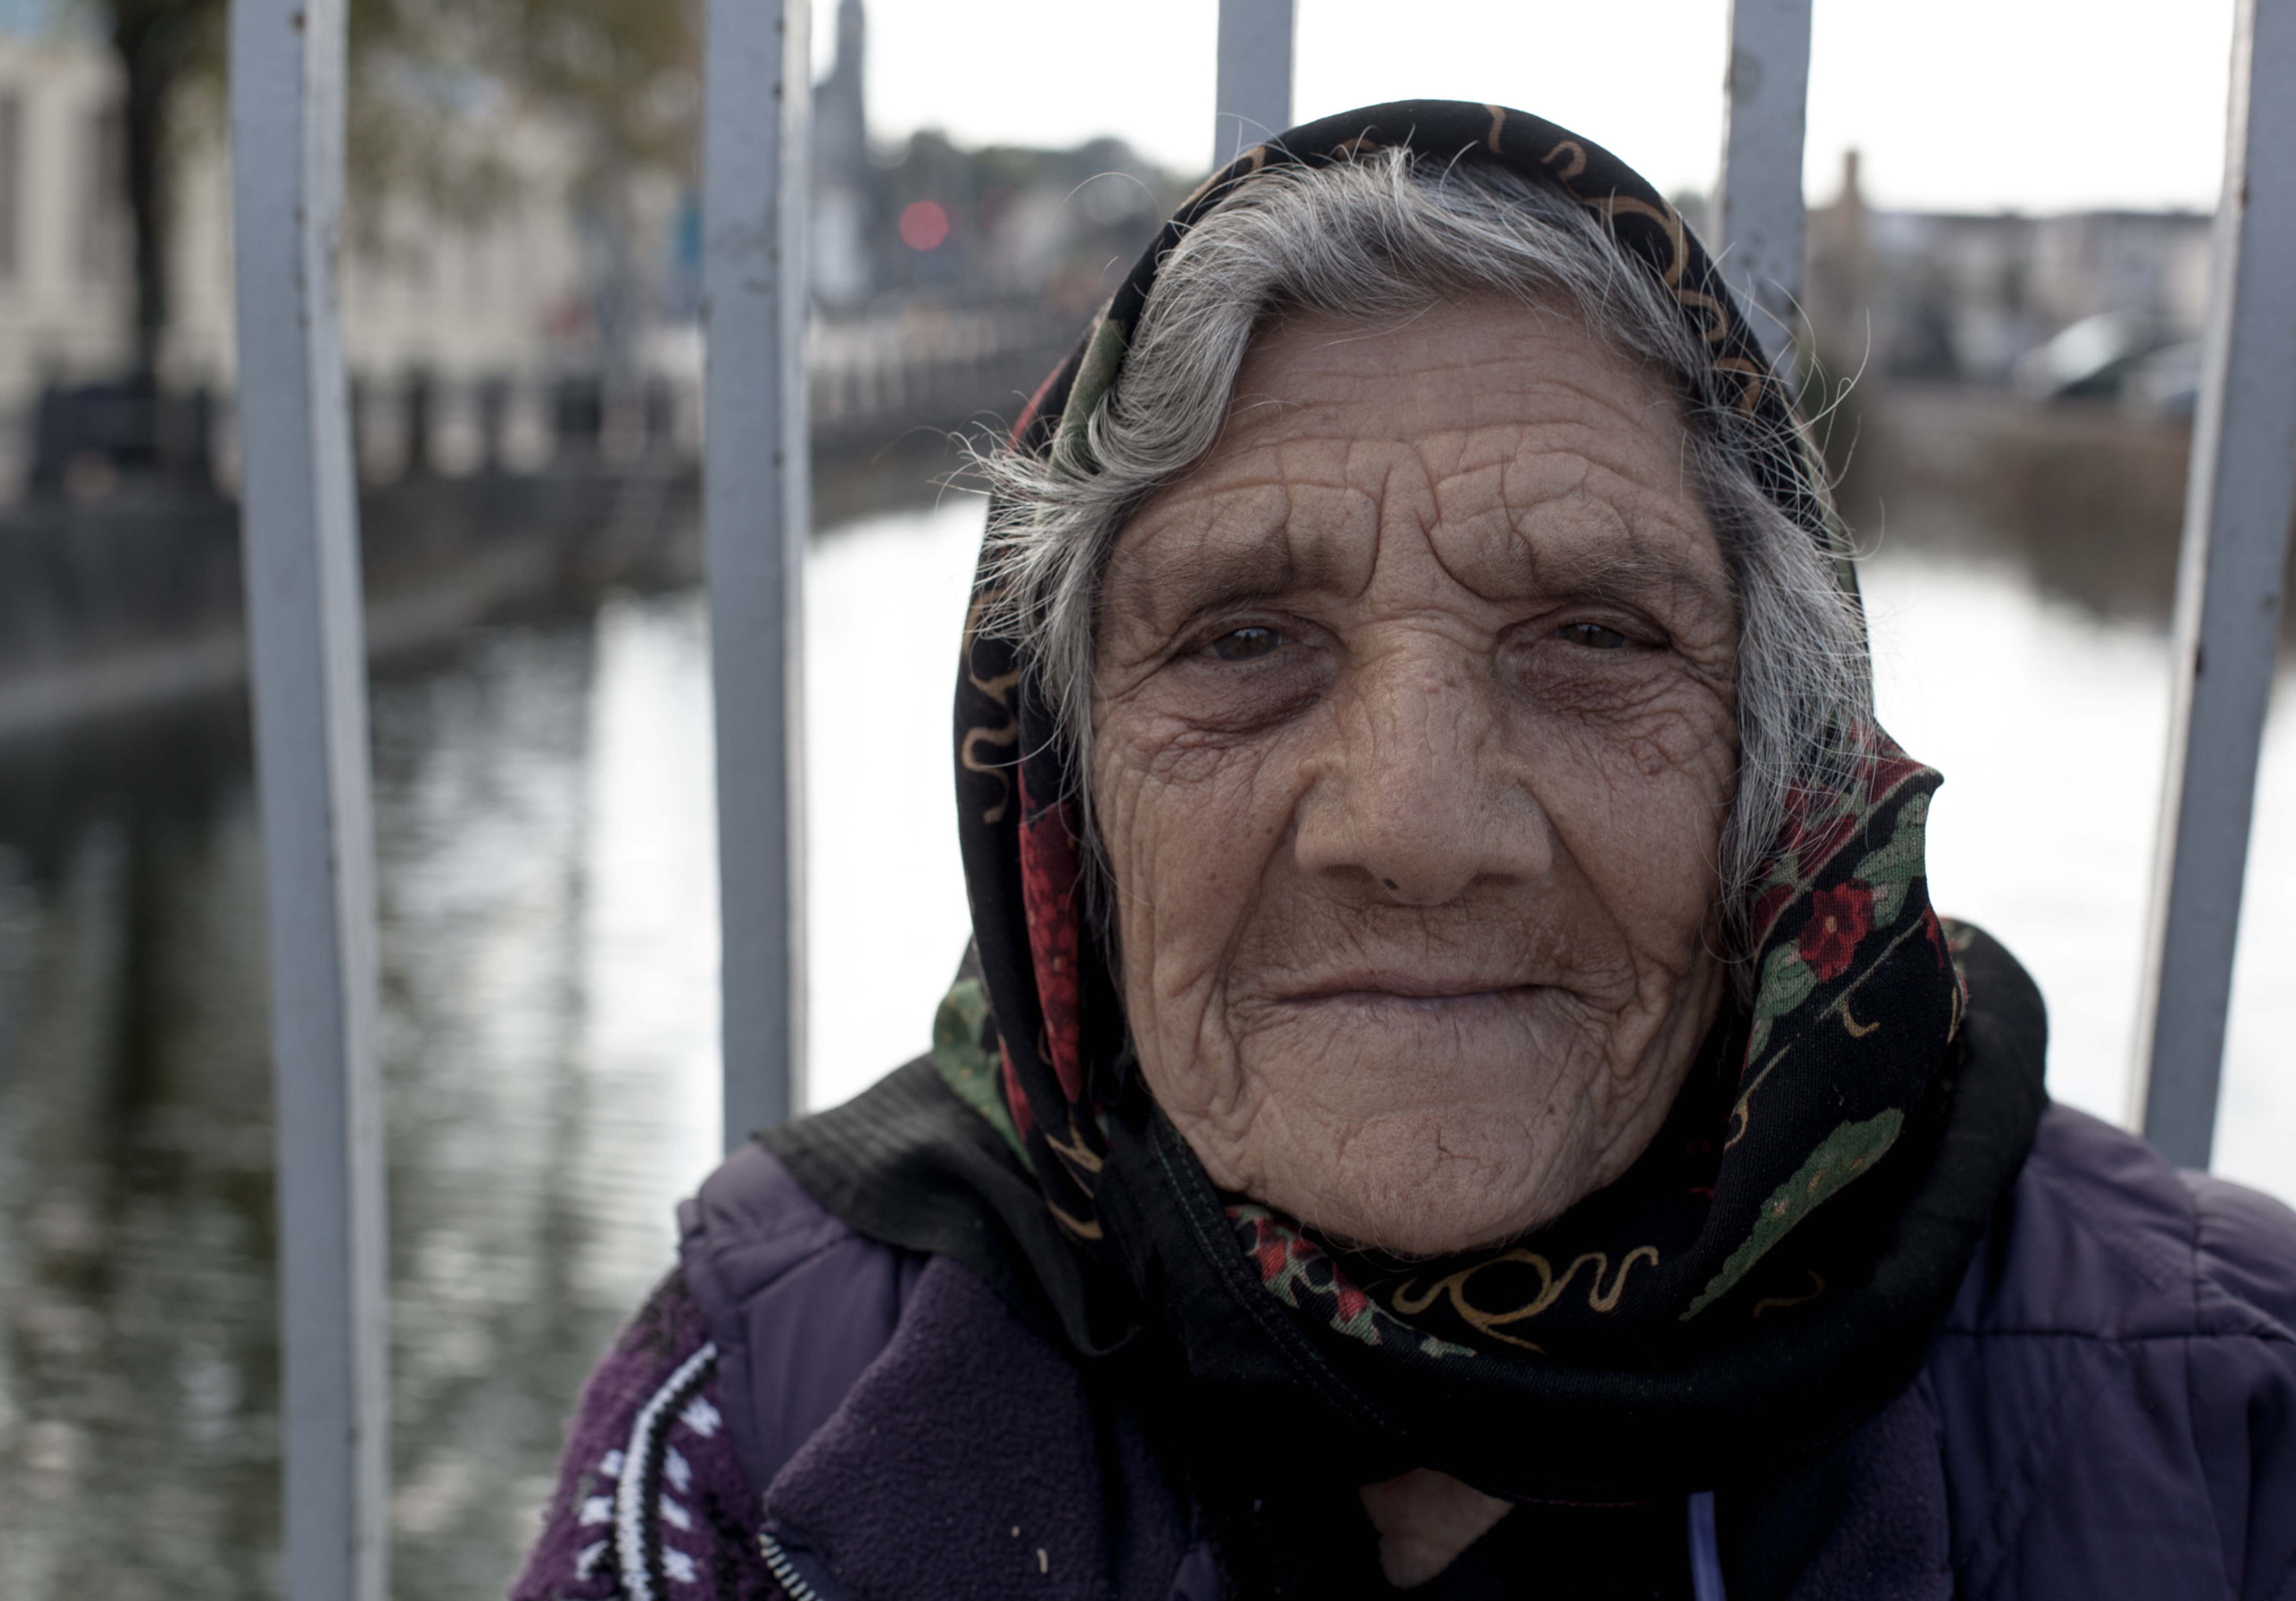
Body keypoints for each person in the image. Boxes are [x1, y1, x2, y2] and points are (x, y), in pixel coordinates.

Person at [510, 102, 2296, 1601]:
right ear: (1060, 792)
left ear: (1781, 774)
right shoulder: (754, 1395)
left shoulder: (2231, 1411)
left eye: (1594, 636)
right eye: (1239, 641)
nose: (1416, 829)